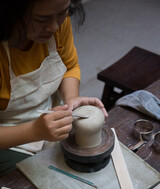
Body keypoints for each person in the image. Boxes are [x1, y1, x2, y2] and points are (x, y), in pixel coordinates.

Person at [0, 0, 108, 158]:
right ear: (9, 15)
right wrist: (35, 131)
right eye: (41, 19)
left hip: (49, 112)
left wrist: (72, 100)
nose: (54, 27)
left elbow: (70, 67)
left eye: (63, 12)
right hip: (9, 135)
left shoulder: (57, 23)